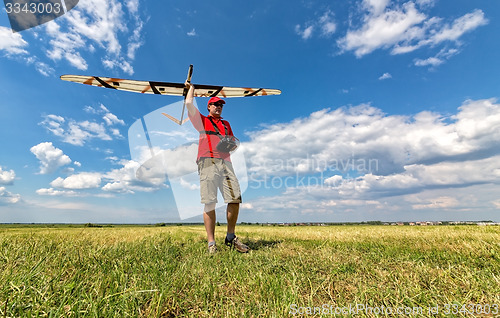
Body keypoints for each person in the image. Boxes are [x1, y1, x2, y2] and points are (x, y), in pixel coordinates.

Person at [184, 81, 249, 254]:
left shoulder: (226, 124)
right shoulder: (202, 121)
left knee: (235, 198)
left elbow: (232, 142)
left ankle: (230, 237)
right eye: (215, 104)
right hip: (207, 161)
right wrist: (191, 89)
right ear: (209, 107)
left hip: (226, 162)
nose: (219, 106)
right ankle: (211, 243)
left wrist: (230, 146)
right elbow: (189, 104)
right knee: (210, 202)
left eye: (221, 105)